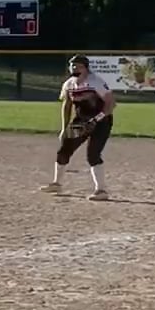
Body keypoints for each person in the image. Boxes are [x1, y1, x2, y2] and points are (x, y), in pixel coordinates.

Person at [43, 55, 115, 201]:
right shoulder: (69, 84)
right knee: (64, 149)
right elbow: (67, 105)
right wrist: (64, 128)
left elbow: (111, 104)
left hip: (101, 122)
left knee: (93, 154)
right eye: (72, 65)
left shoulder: (96, 82)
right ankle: (57, 183)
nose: (74, 68)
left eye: (78, 66)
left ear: (86, 68)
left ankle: (101, 190)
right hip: (80, 122)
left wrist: (96, 119)